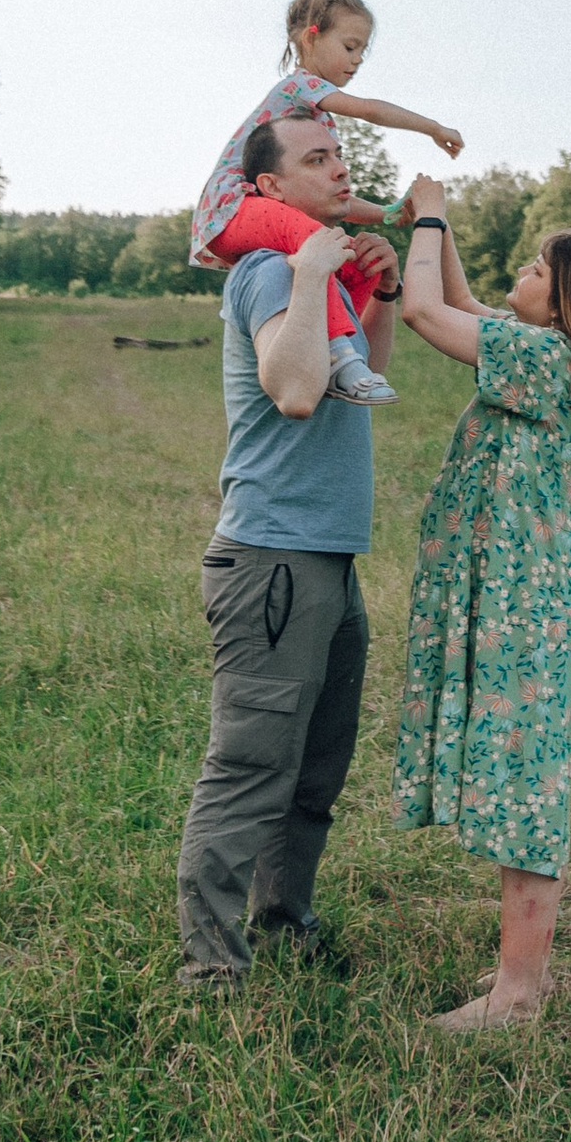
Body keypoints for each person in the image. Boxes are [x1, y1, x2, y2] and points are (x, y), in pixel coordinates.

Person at [388, 178, 571, 1030]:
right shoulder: (538, 348)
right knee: (514, 776)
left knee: (524, 785)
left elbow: (423, 312)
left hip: (518, 610)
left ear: (563, 303)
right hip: (515, 601)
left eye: (533, 269)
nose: (515, 278)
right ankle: (515, 986)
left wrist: (426, 219)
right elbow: (454, 298)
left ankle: (519, 996)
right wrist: (434, 215)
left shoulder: (542, 359)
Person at [176, 111, 390, 990]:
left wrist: (372, 295)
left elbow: (359, 388)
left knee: (315, 765)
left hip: (327, 560)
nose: (339, 167)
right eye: (316, 158)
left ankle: (283, 916)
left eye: (341, 153)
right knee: (251, 766)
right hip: (272, 560)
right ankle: (210, 970)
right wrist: (309, 271)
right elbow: (298, 390)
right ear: (268, 189)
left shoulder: (317, 279)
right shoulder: (269, 270)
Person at [190, 0, 464, 405]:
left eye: (362, 52)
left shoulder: (319, 121)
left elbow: (336, 201)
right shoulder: (300, 87)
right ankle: (338, 357)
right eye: (350, 46)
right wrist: (433, 128)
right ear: (311, 38)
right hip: (231, 208)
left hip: (259, 212)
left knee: (355, 261)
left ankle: (345, 354)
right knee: (319, 241)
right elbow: (370, 109)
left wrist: (391, 214)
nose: (356, 61)